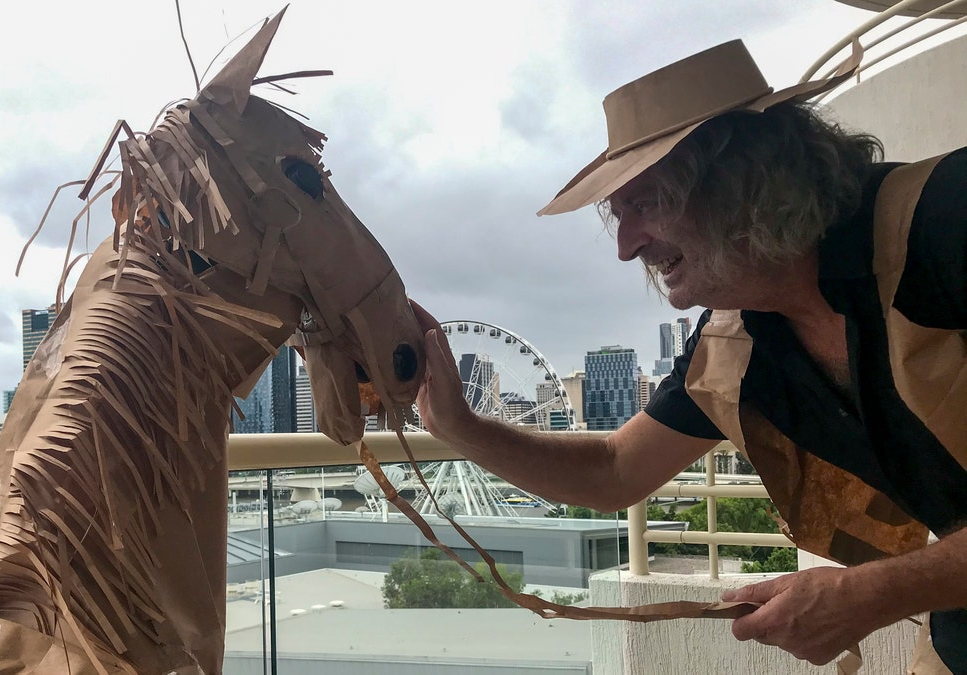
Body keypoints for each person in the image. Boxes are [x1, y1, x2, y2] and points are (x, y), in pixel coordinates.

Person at [414, 39, 966, 670]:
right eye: (617, 216)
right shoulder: (733, 346)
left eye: (644, 204)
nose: (625, 247)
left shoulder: (946, 220)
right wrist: (459, 426)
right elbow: (615, 470)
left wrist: (873, 592)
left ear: (745, 182)